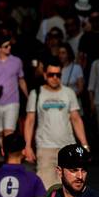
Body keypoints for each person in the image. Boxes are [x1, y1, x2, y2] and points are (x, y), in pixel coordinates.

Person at [24, 56, 87, 189]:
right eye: (51, 74)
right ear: (45, 74)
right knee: (45, 190)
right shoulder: (36, 94)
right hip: (45, 148)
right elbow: (30, 121)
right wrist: (27, 146)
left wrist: (85, 144)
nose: (55, 78)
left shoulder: (69, 93)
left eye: (58, 75)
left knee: (70, 189)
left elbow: (76, 119)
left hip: (68, 147)